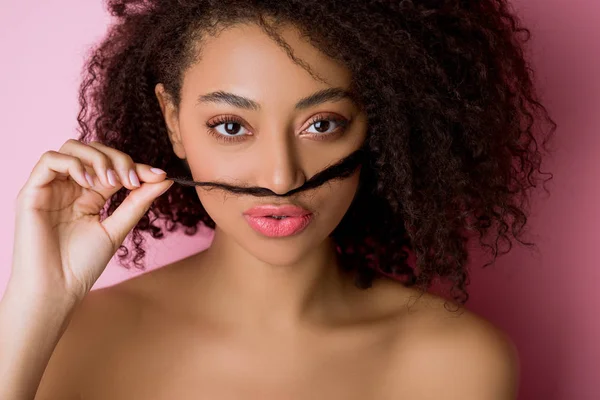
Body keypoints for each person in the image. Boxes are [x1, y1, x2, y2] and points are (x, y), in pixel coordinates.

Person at [0, 0, 556, 398]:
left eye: (322, 123)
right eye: (231, 126)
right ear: (173, 121)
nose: (280, 177)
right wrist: (35, 306)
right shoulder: (62, 341)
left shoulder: (457, 364)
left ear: (376, 122)